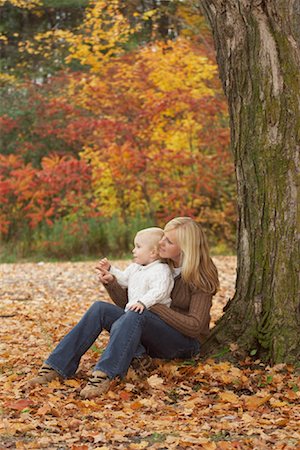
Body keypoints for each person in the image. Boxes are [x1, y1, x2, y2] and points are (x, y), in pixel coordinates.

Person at [27, 217, 219, 399]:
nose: (161, 243)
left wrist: (153, 306)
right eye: (163, 238)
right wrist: (112, 283)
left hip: (183, 343)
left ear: (184, 247)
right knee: (100, 309)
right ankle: (56, 367)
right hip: (151, 328)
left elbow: (195, 326)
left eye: (168, 241)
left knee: (139, 314)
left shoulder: (200, 273)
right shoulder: (160, 264)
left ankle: (106, 375)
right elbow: (129, 306)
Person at [98, 227, 173, 314]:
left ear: (152, 252)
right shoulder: (135, 267)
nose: (134, 250)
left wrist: (143, 303)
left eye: (138, 247)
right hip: (132, 313)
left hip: (150, 317)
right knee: (99, 307)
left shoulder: (161, 270)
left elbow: (159, 291)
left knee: (130, 317)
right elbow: (124, 279)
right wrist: (110, 270)